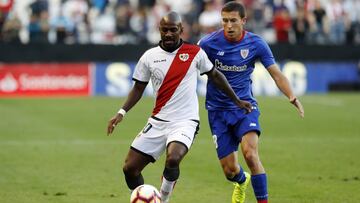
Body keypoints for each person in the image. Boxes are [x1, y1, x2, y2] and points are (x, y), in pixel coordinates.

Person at [107, 11, 252, 203]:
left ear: (181, 30)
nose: (168, 34)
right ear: (159, 30)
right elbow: (138, 88)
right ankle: (147, 199)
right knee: (129, 169)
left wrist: (237, 100)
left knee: (173, 158)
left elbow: (215, 75)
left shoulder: (195, 53)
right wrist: (121, 112)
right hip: (158, 121)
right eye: (164, 30)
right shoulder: (149, 57)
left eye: (173, 30)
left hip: (185, 121)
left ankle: (163, 200)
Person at [198, 2, 305, 203]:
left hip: (245, 107)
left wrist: (292, 97)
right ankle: (241, 180)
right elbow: (187, 69)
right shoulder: (207, 44)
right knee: (230, 171)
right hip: (217, 110)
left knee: (250, 154)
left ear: (243, 21)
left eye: (233, 21)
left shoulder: (256, 43)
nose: (228, 26)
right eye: (225, 21)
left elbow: (276, 74)